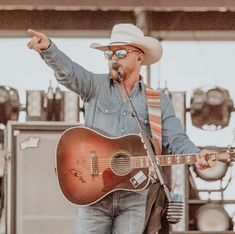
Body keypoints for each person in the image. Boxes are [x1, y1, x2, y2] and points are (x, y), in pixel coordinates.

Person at [27, 23, 215, 234]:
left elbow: (177, 140)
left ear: (139, 57)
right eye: (110, 54)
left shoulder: (157, 101)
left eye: (121, 52)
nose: (114, 58)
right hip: (93, 193)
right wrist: (48, 49)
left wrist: (197, 155)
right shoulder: (95, 86)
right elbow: (69, 72)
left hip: (134, 195)